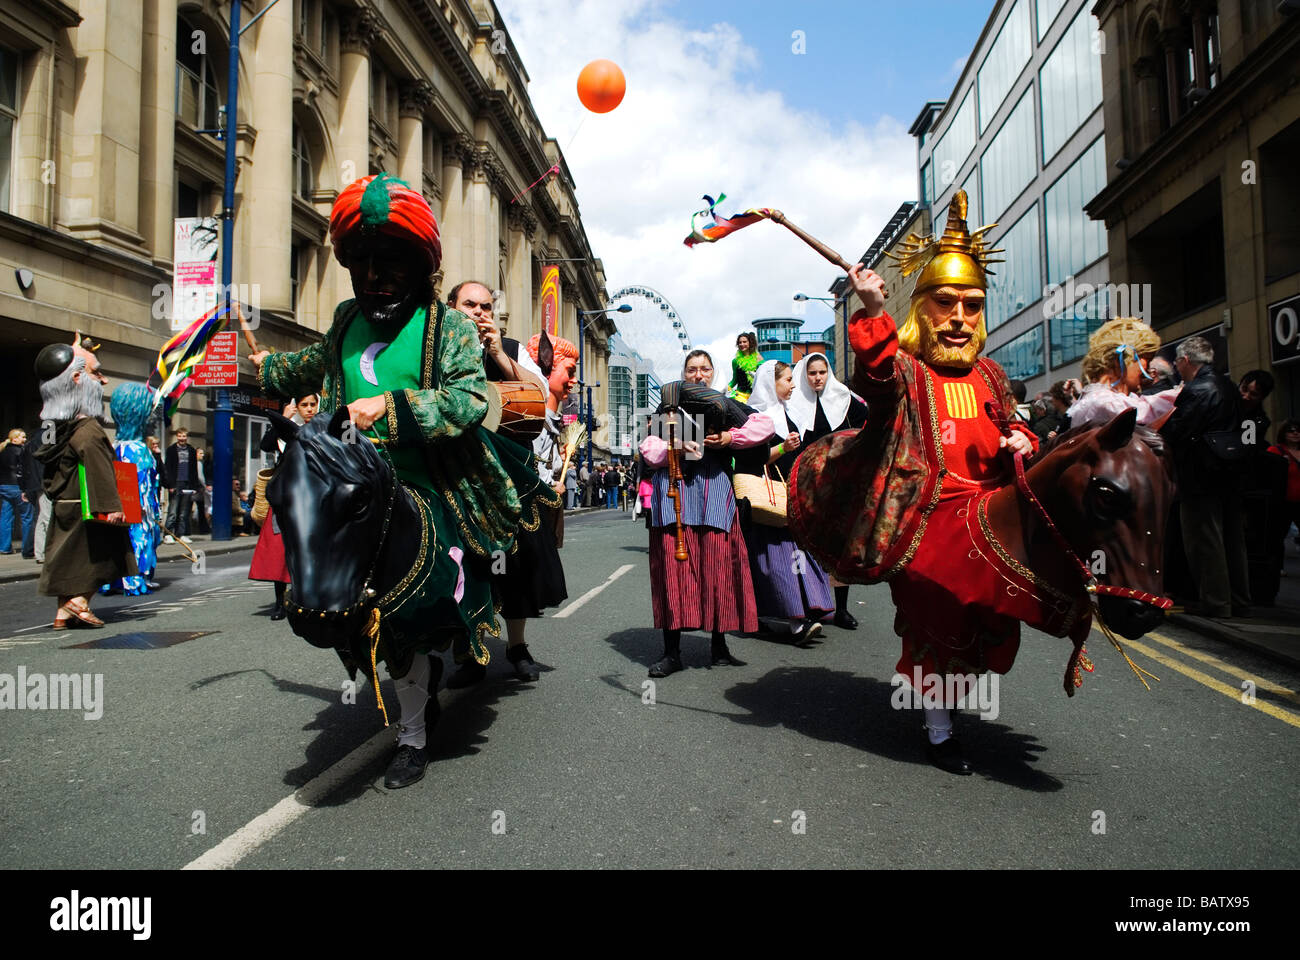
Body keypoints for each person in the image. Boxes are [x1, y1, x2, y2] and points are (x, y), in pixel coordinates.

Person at [251, 172, 554, 789]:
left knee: (409, 613)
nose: (374, 277)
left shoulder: (451, 328)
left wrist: (388, 408)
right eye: (362, 264)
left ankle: (413, 736)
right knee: (329, 594)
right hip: (347, 491)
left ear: (418, 265)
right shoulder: (342, 322)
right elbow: (299, 367)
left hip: (433, 485)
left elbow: (470, 400)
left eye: (388, 263)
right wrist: (256, 366)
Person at [789, 190, 1041, 775]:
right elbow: (873, 378)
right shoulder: (906, 368)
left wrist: (1023, 443)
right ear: (921, 309)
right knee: (935, 622)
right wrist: (872, 307)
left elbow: (1011, 430)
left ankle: (951, 705)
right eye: (945, 303)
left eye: (972, 306)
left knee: (988, 623)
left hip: (990, 526)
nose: (959, 318)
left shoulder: (993, 374)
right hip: (928, 524)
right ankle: (938, 727)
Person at [445, 277, 567, 685]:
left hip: (511, 474)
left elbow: (541, 402)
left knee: (513, 565)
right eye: (470, 306)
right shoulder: (437, 350)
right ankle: (471, 651)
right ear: (451, 308)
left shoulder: (511, 349)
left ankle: (516, 646)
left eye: (486, 307)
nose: (480, 313)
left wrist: (498, 355)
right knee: (467, 565)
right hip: (458, 473)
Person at [640, 349, 774, 677]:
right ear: (684, 374)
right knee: (673, 572)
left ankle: (719, 645)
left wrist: (730, 437)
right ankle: (672, 652)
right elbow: (647, 449)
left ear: (712, 373)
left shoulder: (727, 405)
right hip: (675, 498)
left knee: (718, 569)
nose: (698, 375)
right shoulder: (668, 407)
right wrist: (674, 446)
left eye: (704, 369)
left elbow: (766, 426)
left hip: (714, 494)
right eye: (692, 369)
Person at [32, 333, 135, 628]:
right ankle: (78, 603)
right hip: (88, 506)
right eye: (95, 372)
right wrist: (112, 506)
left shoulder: (51, 426)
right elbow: (98, 467)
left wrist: (52, 492)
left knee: (66, 561)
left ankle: (62, 613)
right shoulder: (89, 429)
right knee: (107, 557)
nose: (103, 381)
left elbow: (46, 458)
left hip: (64, 502)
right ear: (76, 379)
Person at [740, 359, 833, 644]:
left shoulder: (791, 413)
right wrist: (783, 447)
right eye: (787, 380)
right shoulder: (756, 417)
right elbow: (749, 461)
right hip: (770, 502)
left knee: (794, 557)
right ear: (772, 382)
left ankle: (797, 612)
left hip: (791, 498)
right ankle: (795, 622)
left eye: (793, 379)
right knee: (779, 560)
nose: (793, 385)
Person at [1160, 336, 1251, 618]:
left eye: (1177, 362)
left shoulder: (1196, 390)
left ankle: (1216, 602)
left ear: (1186, 361)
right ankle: (1239, 600)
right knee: (1233, 540)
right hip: (1231, 471)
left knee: (1204, 539)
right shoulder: (1228, 385)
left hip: (1201, 474)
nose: (1176, 367)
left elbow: (1176, 431)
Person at [788, 351, 868, 630]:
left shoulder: (845, 399)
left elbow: (868, 426)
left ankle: (841, 609)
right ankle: (810, 605)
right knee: (805, 546)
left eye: (822, 372)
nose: (817, 378)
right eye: (812, 373)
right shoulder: (794, 404)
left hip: (838, 483)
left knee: (838, 547)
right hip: (804, 484)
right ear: (804, 375)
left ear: (828, 373)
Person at [249, 395, 318, 620]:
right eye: (304, 405)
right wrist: (282, 419)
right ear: (296, 407)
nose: (309, 409)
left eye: (312, 405)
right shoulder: (288, 429)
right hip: (286, 497)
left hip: (315, 497)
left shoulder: (325, 426)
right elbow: (265, 445)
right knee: (280, 550)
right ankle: (280, 603)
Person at [1065, 318, 1180, 430]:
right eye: (1147, 360)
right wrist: (1185, 392)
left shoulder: (1093, 399)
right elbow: (1149, 410)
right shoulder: (1104, 402)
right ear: (1121, 361)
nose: (1148, 370)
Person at [103, 383, 162, 595]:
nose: (154, 421)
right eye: (151, 413)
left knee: (120, 538)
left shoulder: (116, 446)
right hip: (138, 510)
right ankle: (134, 577)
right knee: (139, 536)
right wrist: (148, 509)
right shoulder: (139, 451)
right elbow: (144, 485)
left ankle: (114, 579)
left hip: (122, 506)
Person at [0, 428, 35, 556]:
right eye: (22, 437)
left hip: (4, 487)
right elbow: (24, 471)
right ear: (14, 439)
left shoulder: (2, 451)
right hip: (18, 487)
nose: (25, 439)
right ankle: (27, 549)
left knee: (6, 516)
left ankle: (4, 547)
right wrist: (26, 488)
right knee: (27, 517)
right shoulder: (22, 451)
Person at [163, 429, 201, 543]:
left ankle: (181, 534)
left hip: (187, 483)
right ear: (176, 437)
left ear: (186, 437)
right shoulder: (171, 450)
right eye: (180, 436)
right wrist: (170, 485)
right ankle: (168, 533)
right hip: (176, 483)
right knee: (173, 510)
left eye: (184, 436)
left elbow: (194, 470)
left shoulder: (191, 450)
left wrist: (194, 486)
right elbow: (168, 469)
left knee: (184, 511)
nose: (182, 438)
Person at [727, 331, 763, 402]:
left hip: (754, 396)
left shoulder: (758, 358)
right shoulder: (735, 361)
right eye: (740, 342)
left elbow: (764, 377)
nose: (742, 344)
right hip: (740, 395)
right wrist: (726, 388)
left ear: (750, 343)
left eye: (744, 342)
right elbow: (734, 380)